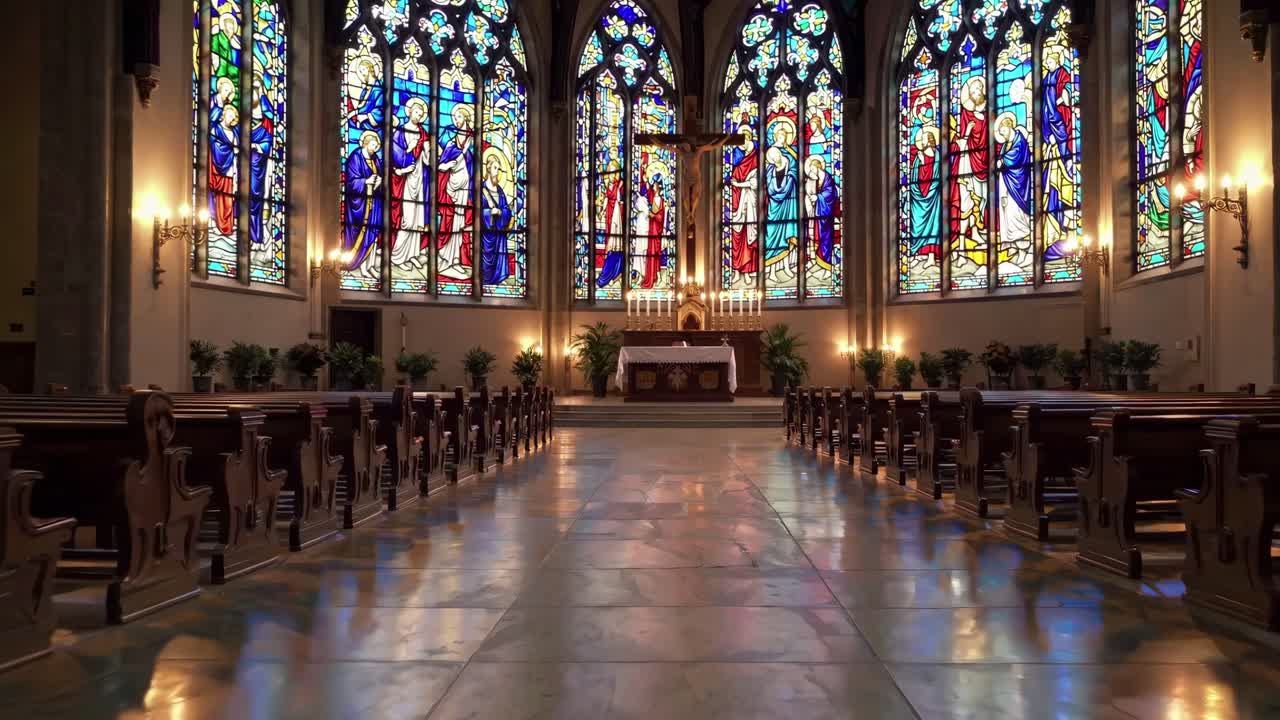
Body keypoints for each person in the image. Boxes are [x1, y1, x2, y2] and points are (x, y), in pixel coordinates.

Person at [390, 97, 429, 268]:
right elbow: (395, 155)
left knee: (417, 218)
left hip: (420, 178)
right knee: (407, 219)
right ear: (409, 112)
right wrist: (409, 149)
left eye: (421, 114)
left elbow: (428, 158)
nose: (418, 116)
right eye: (416, 112)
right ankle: (397, 256)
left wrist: (430, 152)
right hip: (406, 179)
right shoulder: (399, 131)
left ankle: (412, 253)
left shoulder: (423, 133)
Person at [437, 105, 475, 280]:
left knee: (460, 225)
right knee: (451, 223)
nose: (455, 120)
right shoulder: (452, 143)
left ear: (466, 118)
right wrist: (446, 165)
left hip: (466, 189)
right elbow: (441, 164)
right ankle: (445, 259)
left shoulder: (473, 142)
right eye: (454, 117)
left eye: (459, 117)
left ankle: (456, 259)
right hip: (452, 189)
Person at [343, 131, 383, 271]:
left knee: (373, 232)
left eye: (377, 145)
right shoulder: (356, 157)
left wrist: (378, 181)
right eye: (374, 144)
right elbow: (350, 182)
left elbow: (380, 174)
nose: (376, 147)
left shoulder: (376, 159)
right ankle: (356, 263)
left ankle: (369, 265)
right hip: (358, 203)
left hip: (374, 203)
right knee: (359, 231)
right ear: (366, 143)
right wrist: (366, 182)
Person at [728, 125, 759, 278]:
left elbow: (757, 182)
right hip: (739, 205)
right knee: (737, 234)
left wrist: (738, 184)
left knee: (749, 234)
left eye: (741, 143)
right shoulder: (740, 162)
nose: (740, 148)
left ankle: (749, 271)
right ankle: (737, 270)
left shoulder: (758, 158)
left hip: (753, 204)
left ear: (748, 138)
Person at [804, 156, 840, 279]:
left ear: (818, 166)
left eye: (812, 168)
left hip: (826, 214)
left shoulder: (827, 177)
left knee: (826, 240)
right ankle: (818, 263)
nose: (811, 171)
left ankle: (828, 267)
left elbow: (830, 193)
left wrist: (818, 198)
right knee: (815, 238)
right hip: (817, 214)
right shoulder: (814, 178)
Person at [480, 151, 513, 286]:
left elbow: (507, 210)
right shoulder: (481, 189)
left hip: (498, 233)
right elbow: (475, 212)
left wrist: (500, 212)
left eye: (498, 169)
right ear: (488, 168)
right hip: (486, 233)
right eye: (495, 168)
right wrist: (488, 212)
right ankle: (484, 280)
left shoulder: (500, 191)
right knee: (485, 259)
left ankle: (499, 278)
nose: (497, 172)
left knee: (499, 254)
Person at [208, 105, 240, 237]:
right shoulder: (215, 129)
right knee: (218, 196)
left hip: (229, 169)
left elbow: (237, 151)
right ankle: (217, 223)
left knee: (228, 197)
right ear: (224, 114)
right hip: (217, 166)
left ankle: (227, 225)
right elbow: (212, 145)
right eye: (229, 115)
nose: (230, 118)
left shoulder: (234, 134)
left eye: (233, 117)